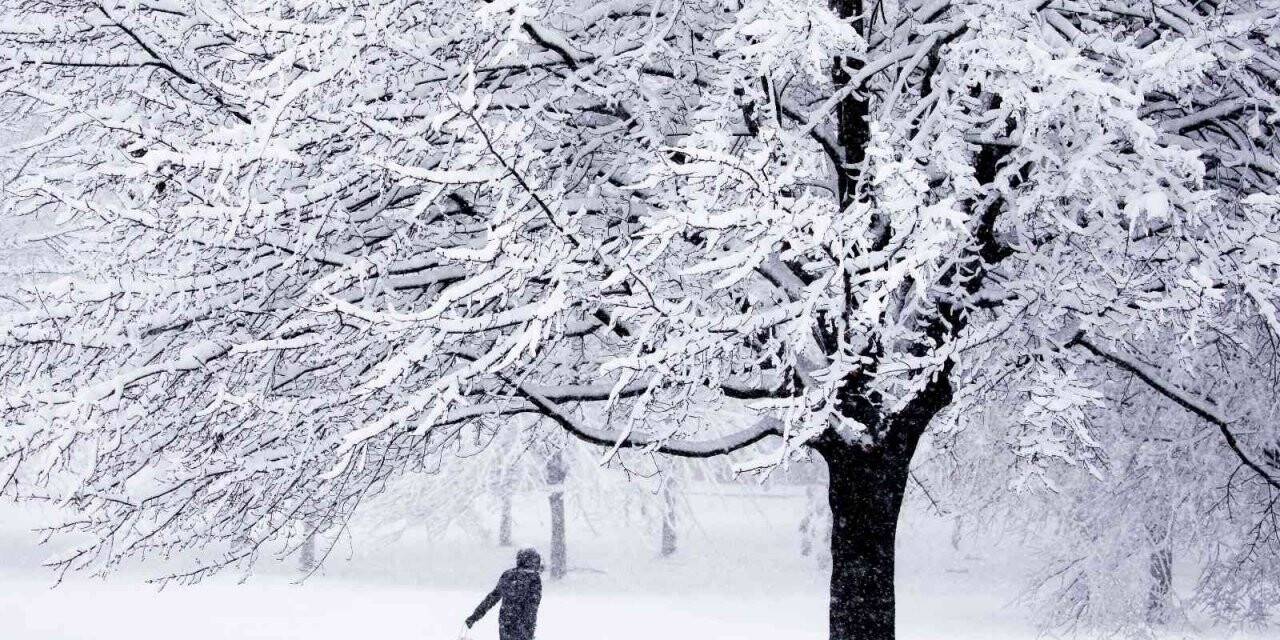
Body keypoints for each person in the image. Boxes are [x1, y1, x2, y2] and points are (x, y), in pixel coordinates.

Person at [464, 548, 544, 640]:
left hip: (506, 623)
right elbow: (532, 606)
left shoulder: (508, 575)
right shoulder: (534, 579)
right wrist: (526, 629)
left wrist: (475, 616)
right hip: (525, 627)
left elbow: (492, 598)